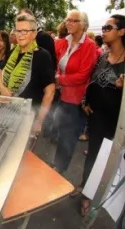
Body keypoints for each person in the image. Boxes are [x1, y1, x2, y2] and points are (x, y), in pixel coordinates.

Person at [79, 14, 125, 216]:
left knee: (112, 163)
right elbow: (92, 82)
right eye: (103, 27)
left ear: (122, 31)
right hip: (97, 119)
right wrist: (85, 102)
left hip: (118, 123)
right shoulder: (103, 57)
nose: (103, 31)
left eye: (108, 27)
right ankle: (86, 193)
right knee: (93, 157)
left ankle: (106, 198)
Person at [52, 10, 98, 173]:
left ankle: (60, 169)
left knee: (68, 138)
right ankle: (57, 164)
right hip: (63, 96)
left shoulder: (89, 46)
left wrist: (59, 80)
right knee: (61, 133)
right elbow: (60, 64)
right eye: (67, 20)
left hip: (77, 100)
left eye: (73, 20)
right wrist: (58, 74)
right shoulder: (65, 41)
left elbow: (83, 76)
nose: (68, 23)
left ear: (83, 25)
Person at [0, 15, 55, 134]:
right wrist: (2, 89)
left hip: (27, 118)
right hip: (6, 113)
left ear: (34, 34)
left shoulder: (43, 56)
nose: (20, 34)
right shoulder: (13, 52)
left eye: (25, 31)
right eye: (17, 30)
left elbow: (50, 91)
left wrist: (39, 121)